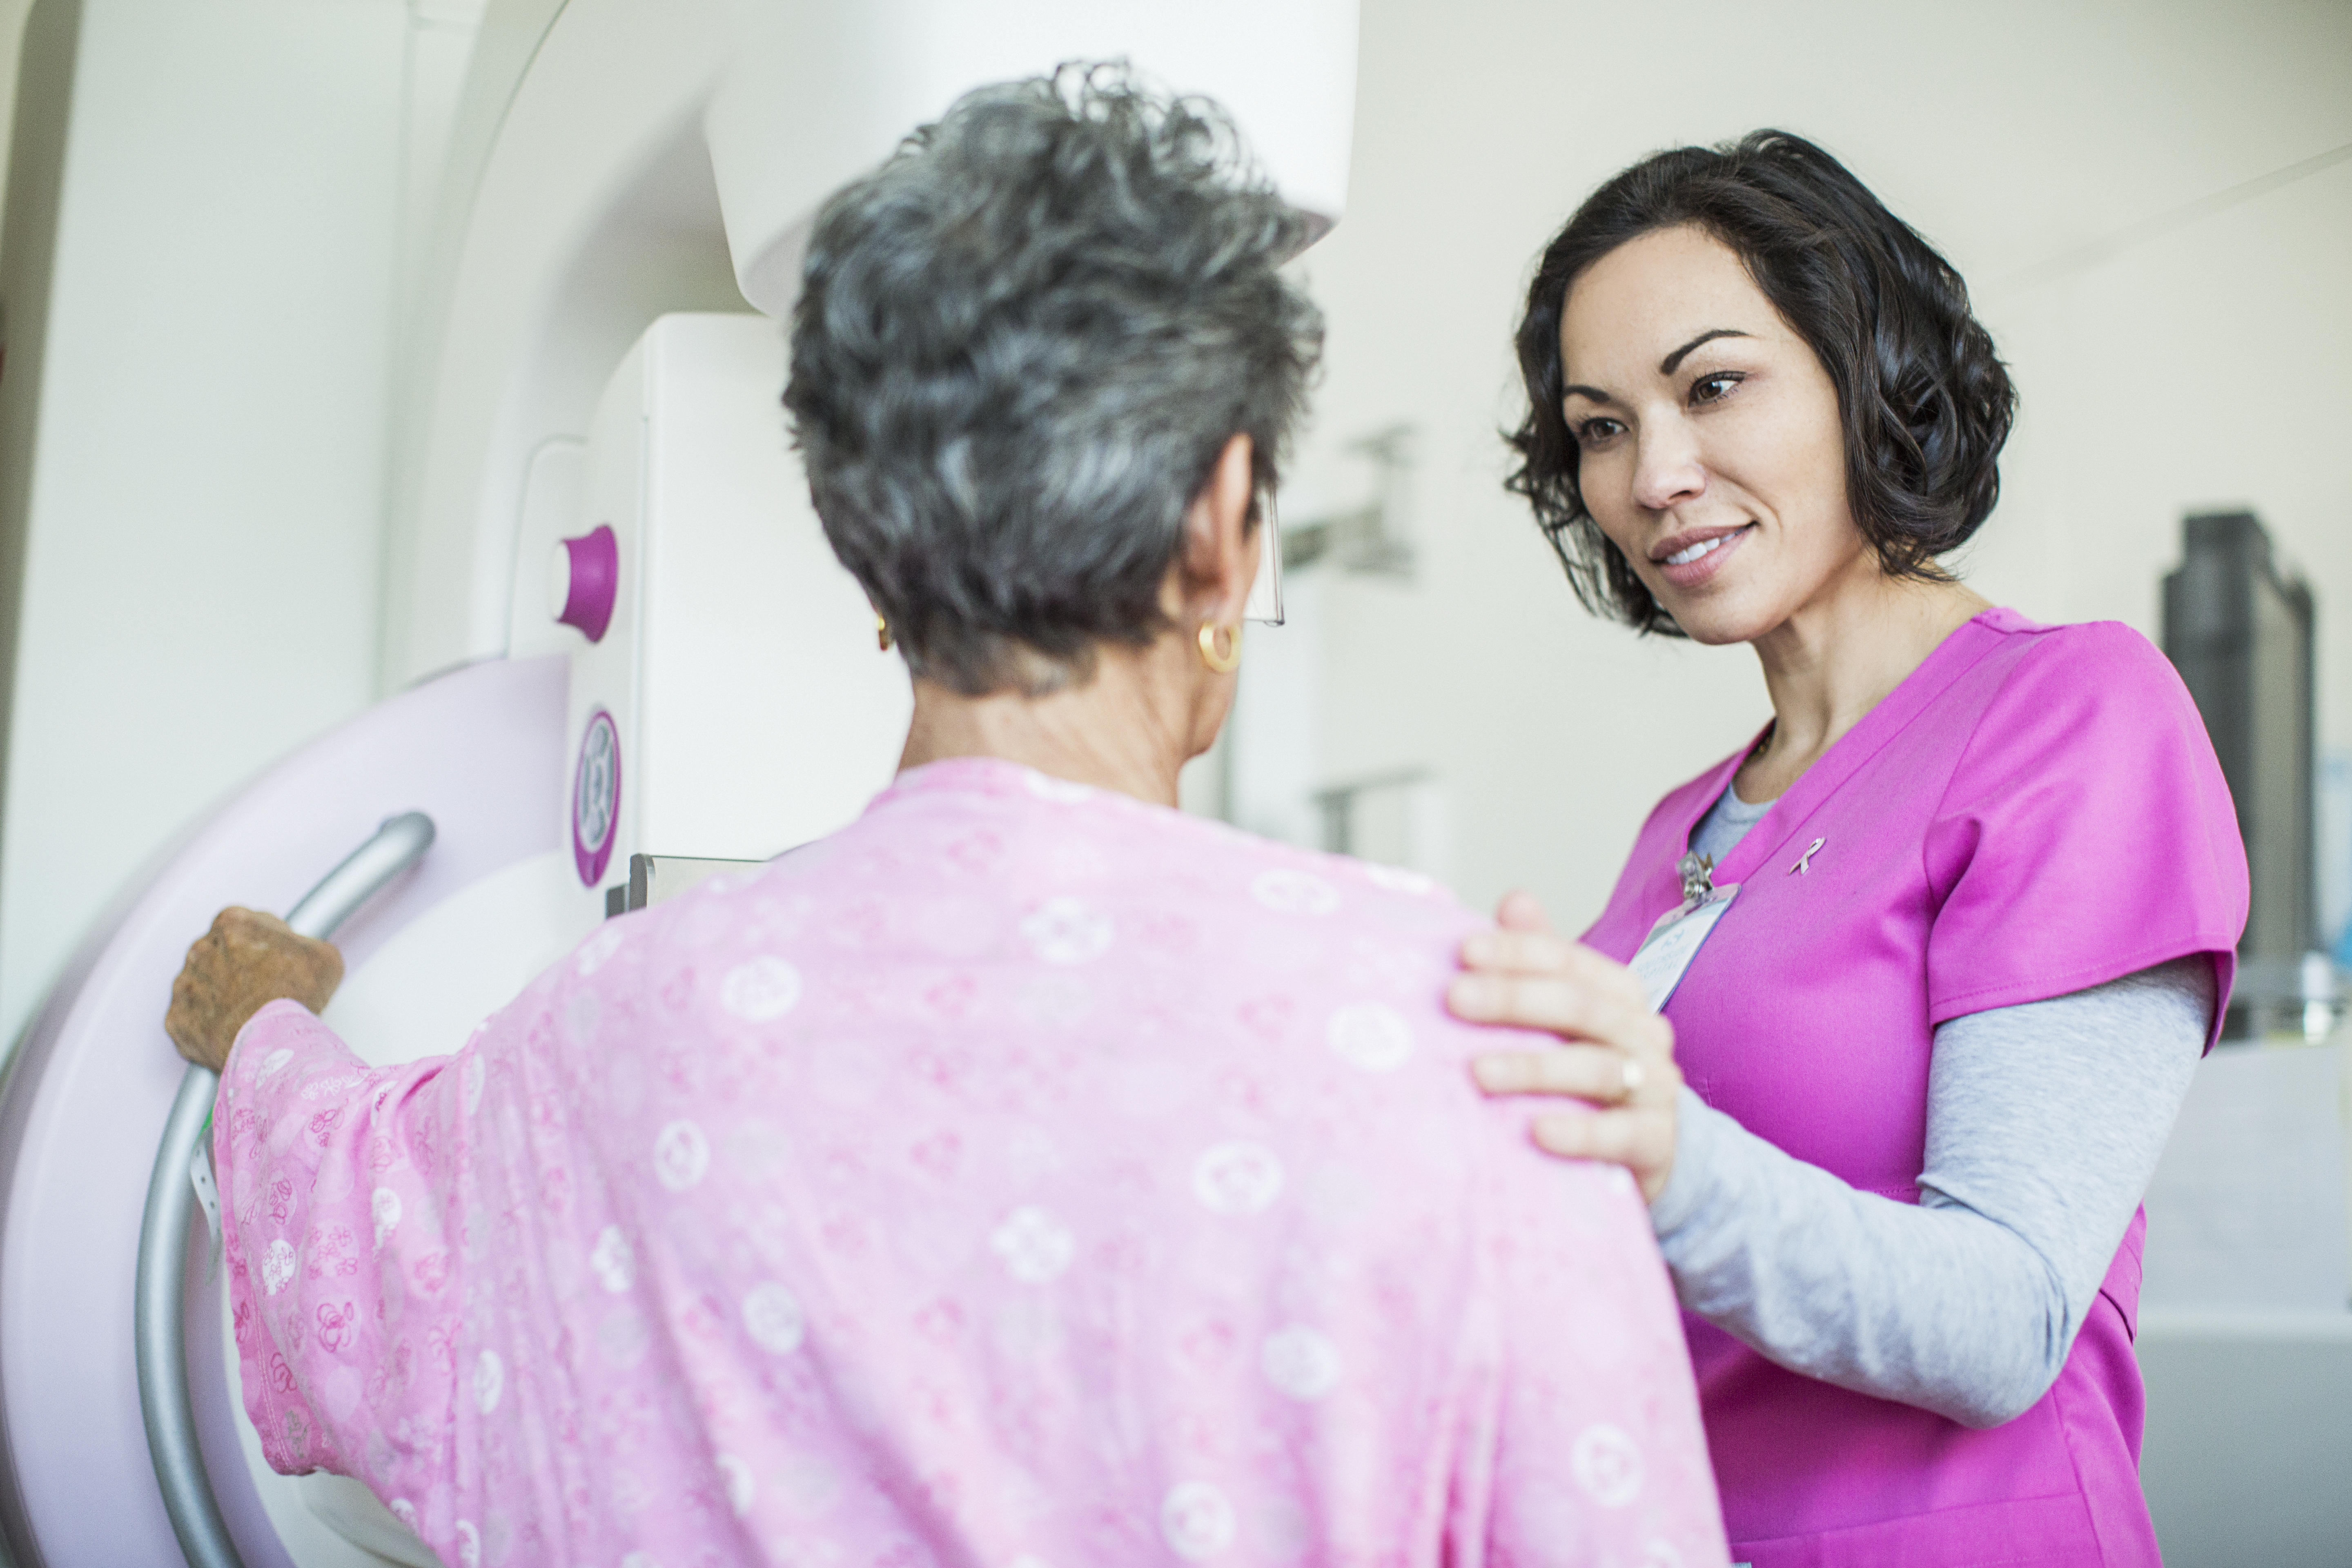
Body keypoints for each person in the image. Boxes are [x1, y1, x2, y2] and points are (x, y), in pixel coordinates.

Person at [167, 68, 1729, 1568]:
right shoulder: (1480, 1044)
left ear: (871, 566)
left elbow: (349, 1229)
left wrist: (264, 1030)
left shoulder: (605, 1034)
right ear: (1218, 531)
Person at [1445, 131, 2248, 1566]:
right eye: (1603, 425)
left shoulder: (2070, 716)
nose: (1655, 475)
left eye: (1712, 386)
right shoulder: (1673, 831)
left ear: (1865, 374)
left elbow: (2006, 1319)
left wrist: (1663, 1155)